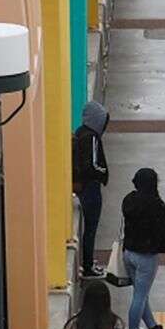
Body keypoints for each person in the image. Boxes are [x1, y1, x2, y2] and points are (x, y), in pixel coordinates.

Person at [121, 167, 165, 329]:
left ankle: (153, 327)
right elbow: (164, 228)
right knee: (140, 296)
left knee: (142, 294)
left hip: (128, 253)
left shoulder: (129, 200)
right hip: (146, 257)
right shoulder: (154, 205)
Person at [72, 101, 110, 278]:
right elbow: (93, 165)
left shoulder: (80, 133)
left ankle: (87, 262)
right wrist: (104, 173)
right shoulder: (92, 138)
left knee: (88, 228)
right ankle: (88, 265)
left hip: (81, 187)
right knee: (91, 228)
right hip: (91, 188)